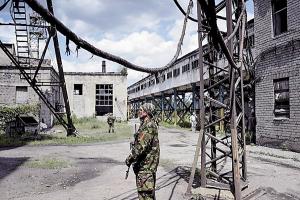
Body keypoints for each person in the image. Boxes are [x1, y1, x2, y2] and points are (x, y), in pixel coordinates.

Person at [125, 103, 160, 200]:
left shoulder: (148, 126)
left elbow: (140, 148)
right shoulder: (146, 124)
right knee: (148, 196)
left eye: (141, 110)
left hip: (146, 168)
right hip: (146, 168)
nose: (139, 111)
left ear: (147, 112)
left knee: (145, 197)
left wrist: (129, 159)